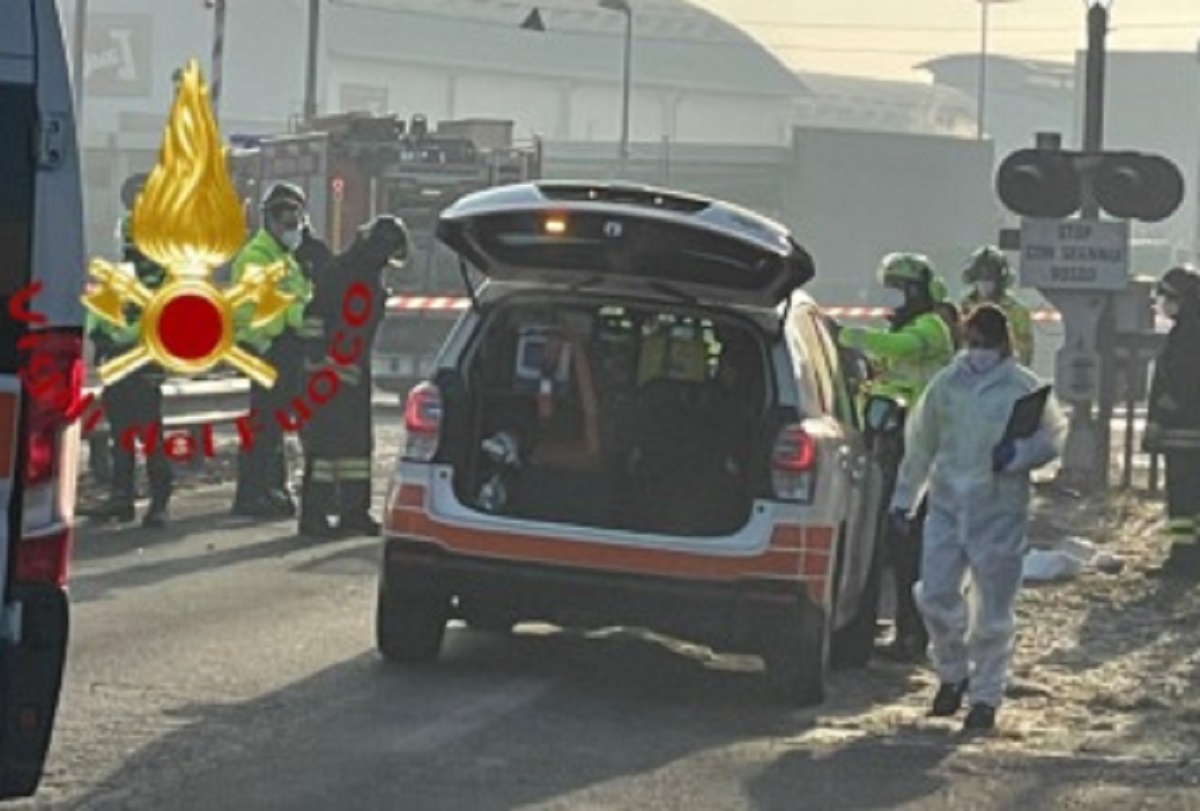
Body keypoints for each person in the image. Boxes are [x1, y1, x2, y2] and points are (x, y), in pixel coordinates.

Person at [889, 305, 1065, 732]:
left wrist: (1020, 456)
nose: (978, 352)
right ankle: (953, 673)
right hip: (947, 505)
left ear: (1003, 344)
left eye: (985, 344)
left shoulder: (1024, 388)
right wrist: (904, 498)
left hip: (999, 509)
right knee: (935, 594)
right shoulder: (947, 384)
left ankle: (985, 698)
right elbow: (920, 443)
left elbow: (1051, 439)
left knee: (993, 612)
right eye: (973, 343)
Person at [837, 252, 957, 662]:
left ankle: (913, 636)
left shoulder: (930, 328)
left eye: (898, 288)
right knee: (888, 545)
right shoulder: (906, 324)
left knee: (911, 549)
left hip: (920, 451)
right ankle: (896, 631)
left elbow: (899, 349)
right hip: (895, 445)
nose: (890, 296)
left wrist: (846, 336)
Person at [297, 215, 409, 538]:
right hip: (329, 377)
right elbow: (313, 317)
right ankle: (314, 516)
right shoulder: (340, 272)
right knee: (325, 449)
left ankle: (353, 514)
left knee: (356, 449)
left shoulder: (365, 275)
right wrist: (320, 358)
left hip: (353, 374)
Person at [87, 173, 173, 527]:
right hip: (120, 364)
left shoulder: (167, 277)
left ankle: (159, 503)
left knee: (151, 436)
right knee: (122, 435)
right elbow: (99, 310)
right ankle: (121, 499)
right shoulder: (120, 272)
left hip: (147, 364)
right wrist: (102, 339)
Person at [230, 182, 315, 518]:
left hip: (284, 351)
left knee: (273, 427)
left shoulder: (287, 259)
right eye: (283, 217)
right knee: (263, 428)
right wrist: (303, 316)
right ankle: (252, 494)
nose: (291, 224)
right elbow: (268, 309)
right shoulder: (257, 257)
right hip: (265, 351)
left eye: (295, 217)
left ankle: (272, 489)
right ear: (269, 220)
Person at [1143, 265, 1200, 580]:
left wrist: (1161, 418)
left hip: (1182, 432)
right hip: (1190, 430)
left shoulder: (1186, 336)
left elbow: (1177, 383)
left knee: (1182, 499)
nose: (1163, 304)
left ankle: (1183, 560)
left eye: (1166, 297)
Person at [960, 246, 1034, 366]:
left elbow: (1025, 352)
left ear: (1000, 279)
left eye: (990, 277)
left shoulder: (1017, 311)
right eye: (981, 277)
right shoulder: (964, 307)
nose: (985, 281)